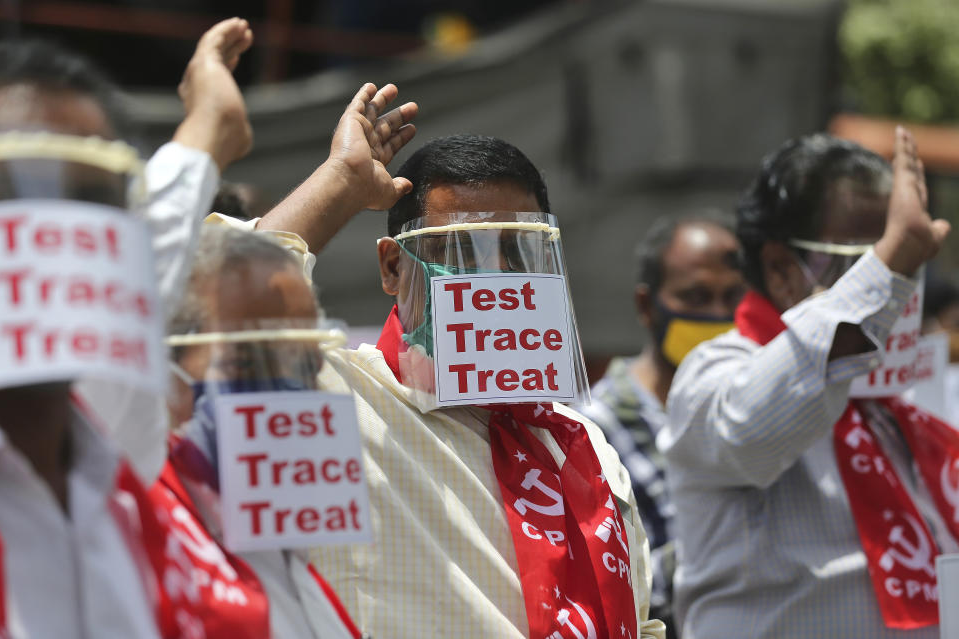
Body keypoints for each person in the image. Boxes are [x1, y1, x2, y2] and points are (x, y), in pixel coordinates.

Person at [293, 134, 665, 639]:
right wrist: (338, 183)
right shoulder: (336, 403)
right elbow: (220, 312)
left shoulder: (583, 445)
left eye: (516, 251)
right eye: (461, 252)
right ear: (391, 266)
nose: (494, 278)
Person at [0, 18, 253, 637]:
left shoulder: (115, 454)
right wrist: (207, 134)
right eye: (14, 194)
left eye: (91, 203)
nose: (60, 240)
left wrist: (209, 133)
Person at [661, 129, 953, 638]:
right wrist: (890, 262)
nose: (894, 288)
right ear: (779, 269)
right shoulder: (714, 372)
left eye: (907, 265)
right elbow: (751, 427)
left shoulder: (894, 402)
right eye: (866, 261)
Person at [156, 224, 364, 638]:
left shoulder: (287, 555)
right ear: (167, 363)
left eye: (305, 356)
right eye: (251, 357)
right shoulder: (136, 516)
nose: (289, 380)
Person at [576, 211, 745, 638]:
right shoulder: (593, 431)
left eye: (733, 297)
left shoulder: (751, 410)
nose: (718, 316)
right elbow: (618, 583)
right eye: (696, 297)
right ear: (646, 306)